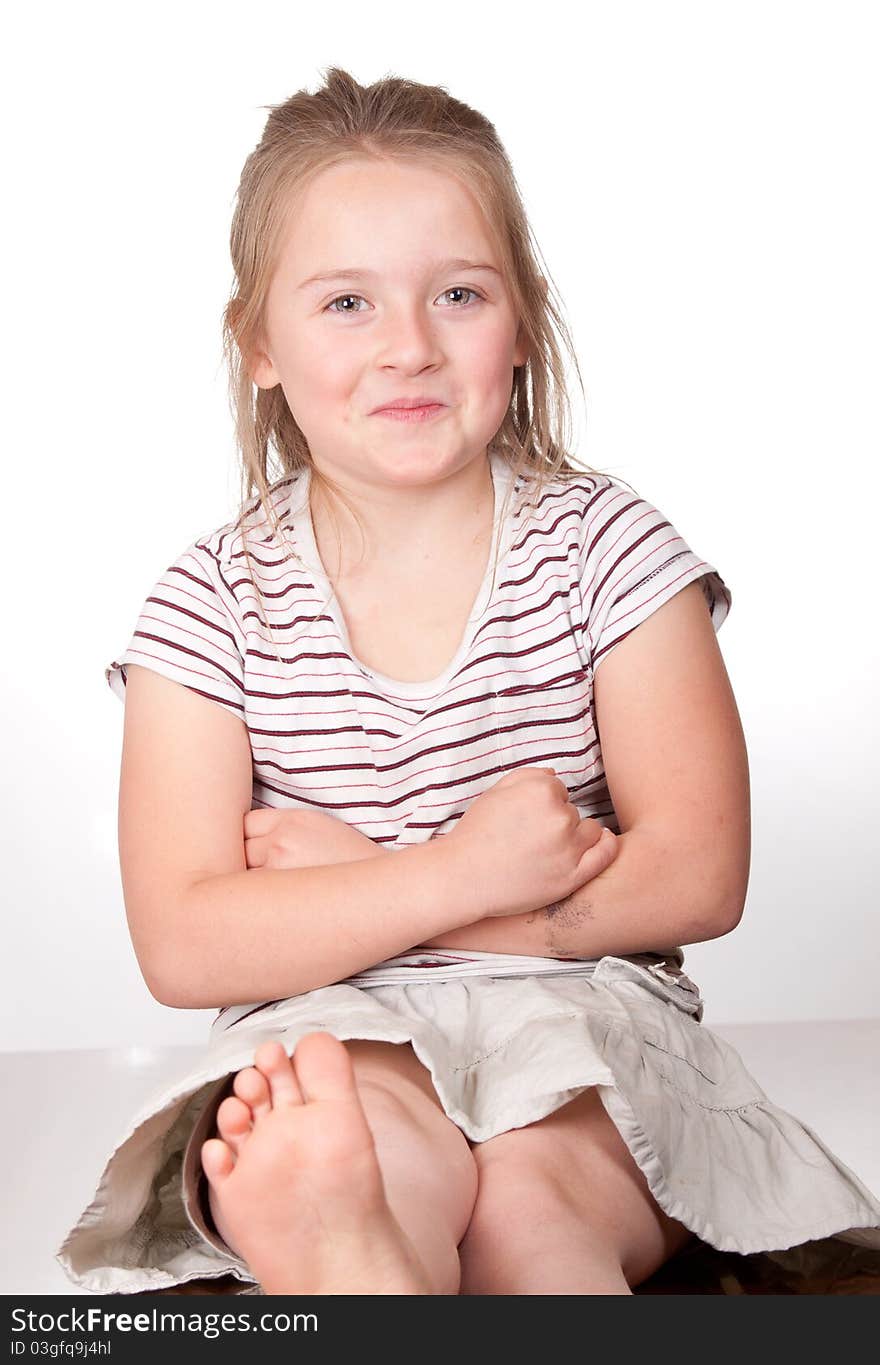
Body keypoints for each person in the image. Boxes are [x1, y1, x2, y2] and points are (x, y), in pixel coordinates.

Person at [57, 66, 880, 1296]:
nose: (409, 345)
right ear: (259, 346)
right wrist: (459, 870)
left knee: (537, 1205)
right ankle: (354, 1244)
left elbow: (700, 875)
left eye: (457, 292)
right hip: (337, 1026)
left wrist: (383, 889)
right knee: (366, 1140)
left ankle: (430, 1255)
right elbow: (183, 940)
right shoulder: (209, 602)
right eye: (345, 301)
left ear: (522, 317)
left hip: (584, 1020)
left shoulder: (609, 549)